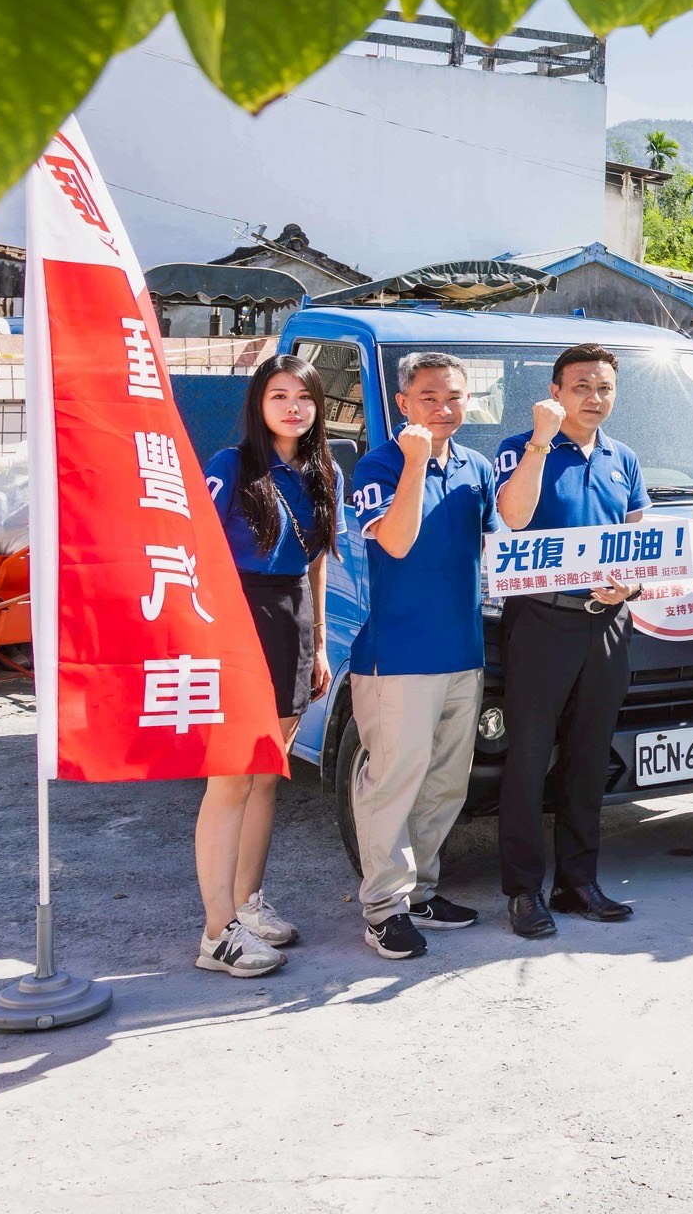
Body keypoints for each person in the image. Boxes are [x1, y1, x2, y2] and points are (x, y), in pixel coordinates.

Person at [343, 353, 502, 960]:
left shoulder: (475, 466)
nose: (443, 409)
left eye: (455, 397)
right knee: (392, 783)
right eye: (429, 397)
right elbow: (399, 542)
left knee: (444, 783)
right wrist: (414, 465)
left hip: (463, 650)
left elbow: (501, 542)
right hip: (399, 659)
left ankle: (422, 890)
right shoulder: (380, 465)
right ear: (403, 402)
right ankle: (383, 907)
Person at [492, 344, 646, 938]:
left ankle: (578, 882)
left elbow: (634, 538)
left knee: (589, 755)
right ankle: (524, 891)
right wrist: (539, 441)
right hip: (540, 620)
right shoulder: (522, 447)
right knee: (529, 758)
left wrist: (627, 585)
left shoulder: (622, 458)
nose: (594, 397)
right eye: (582, 386)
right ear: (556, 391)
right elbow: (513, 515)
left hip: (606, 623)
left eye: (605, 387)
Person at [193, 354, 338, 977]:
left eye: (303, 398)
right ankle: (215, 931)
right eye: (279, 396)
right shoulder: (230, 467)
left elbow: (316, 565)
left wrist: (322, 645)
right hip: (235, 616)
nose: (292, 408)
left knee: (264, 773)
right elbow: (194, 552)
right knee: (228, 778)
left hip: (293, 618)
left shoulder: (319, 470)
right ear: (259, 404)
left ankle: (247, 905)